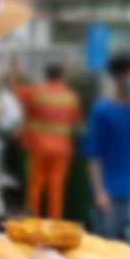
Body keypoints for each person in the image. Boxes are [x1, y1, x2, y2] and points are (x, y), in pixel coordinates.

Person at [83, 50, 130, 259]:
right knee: (105, 254)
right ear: (118, 76)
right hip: (108, 193)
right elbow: (93, 155)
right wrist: (99, 192)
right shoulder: (102, 111)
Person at [10, 57, 82, 219]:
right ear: (62, 77)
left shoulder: (36, 92)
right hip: (61, 150)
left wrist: (14, 70)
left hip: (37, 148)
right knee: (56, 187)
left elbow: (14, 91)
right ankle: (54, 222)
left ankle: (32, 221)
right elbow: (76, 120)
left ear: (46, 76)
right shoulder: (71, 97)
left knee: (35, 186)